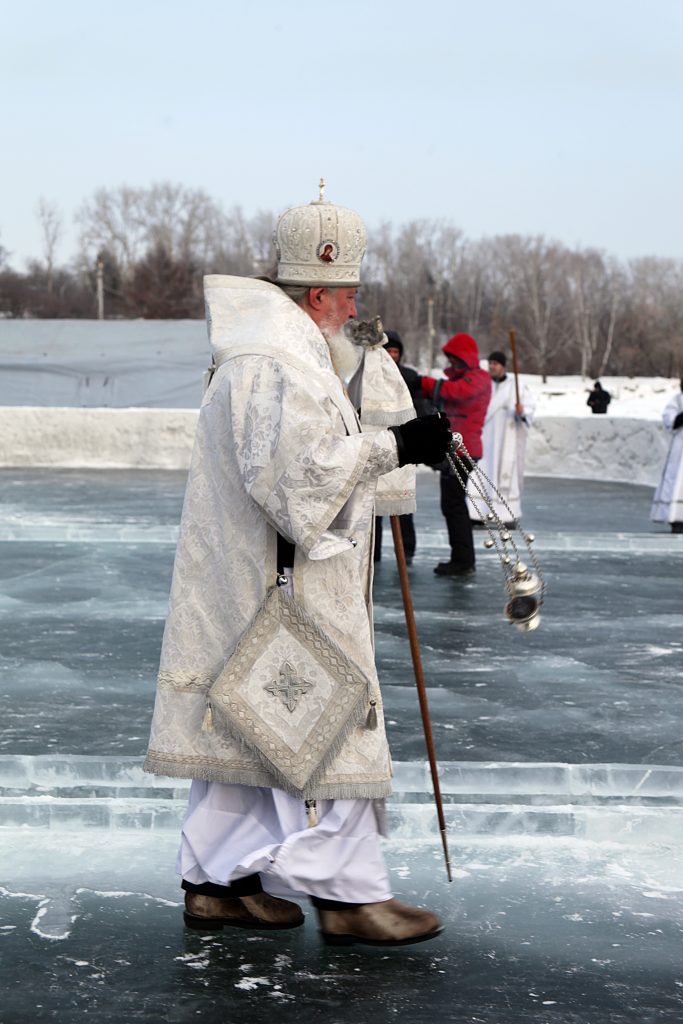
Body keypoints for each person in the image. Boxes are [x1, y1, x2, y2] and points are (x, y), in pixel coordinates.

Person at [143, 186, 451, 947]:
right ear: (317, 292)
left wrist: (380, 417)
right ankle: (347, 894)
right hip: (286, 579)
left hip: (255, 578)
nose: (353, 310)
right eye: (346, 296)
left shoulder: (278, 350)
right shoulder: (275, 362)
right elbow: (296, 479)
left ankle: (218, 882)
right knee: (335, 720)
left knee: (245, 730)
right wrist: (395, 448)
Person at [419, 333, 491, 576]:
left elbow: (457, 392)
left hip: (463, 451)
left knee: (454, 505)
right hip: (457, 450)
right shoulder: (470, 377)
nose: (451, 364)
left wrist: (424, 383)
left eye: (454, 359)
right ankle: (461, 557)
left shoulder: (478, 379)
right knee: (452, 504)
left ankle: (463, 560)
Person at [373, 331, 427, 563]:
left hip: (404, 445)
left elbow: (420, 406)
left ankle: (406, 551)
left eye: (396, 352)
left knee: (401, 501)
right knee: (374, 504)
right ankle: (372, 553)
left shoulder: (409, 376)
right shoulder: (371, 377)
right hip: (378, 443)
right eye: (388, 351)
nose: (392, 355)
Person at [467, 350, 535, 526]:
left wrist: (521, 411)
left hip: (506, 440)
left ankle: (506, 515)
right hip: (485, 440)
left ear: (503, 366)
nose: (492, 366)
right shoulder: (483, 385)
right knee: (481, 474)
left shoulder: (515, 387)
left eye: (495, 364)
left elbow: (528, 408)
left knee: (505, 476)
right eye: (490, 363)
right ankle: (477, 514)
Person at [650, 379, 683, 533]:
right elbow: (670, 421)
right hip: (680, 449)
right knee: (677, 481)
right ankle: (676, 517)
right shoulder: (677, 400)